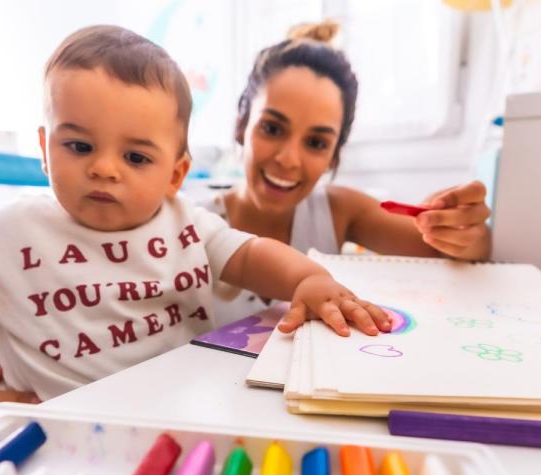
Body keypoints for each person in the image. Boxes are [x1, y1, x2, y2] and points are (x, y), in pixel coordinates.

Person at [0, 25, 390, 406]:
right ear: (46, 150)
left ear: (175, 174)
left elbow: (252, 255)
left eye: (134, 155)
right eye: (79, 146)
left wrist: (306, 279)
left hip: (173, 410)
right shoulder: (7, 232)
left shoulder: (185, 223)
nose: (104, 169)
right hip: (57, 420)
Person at [203, 20, 493, 321]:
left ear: (333, 156)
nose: (288, 159)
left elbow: (451, 249)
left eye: (316, 142)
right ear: (241, 125)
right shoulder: (187, 227)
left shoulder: (339, 211)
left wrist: (468, 235)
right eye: (272, 128)